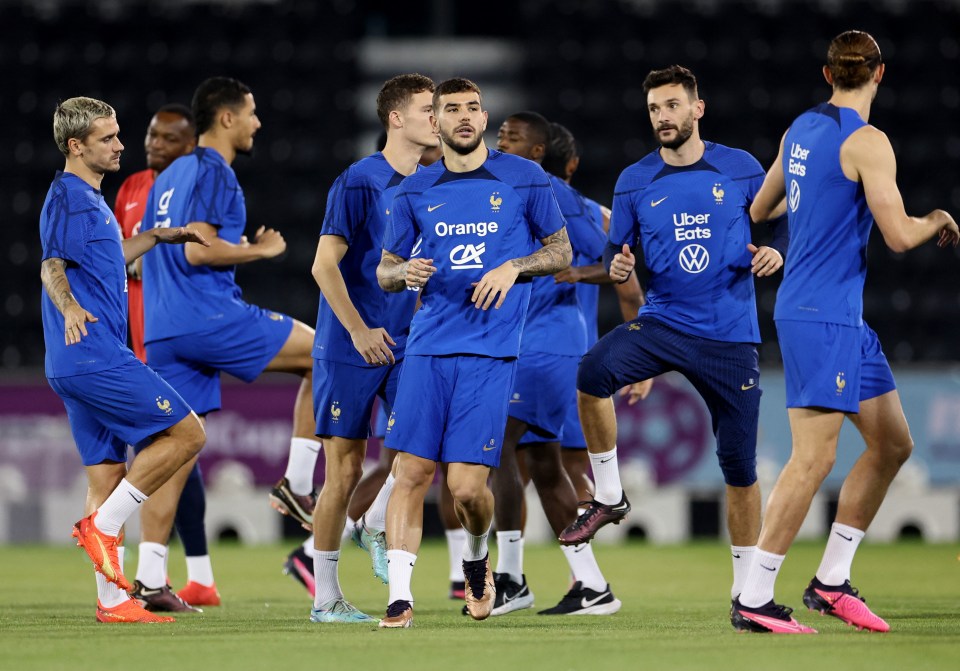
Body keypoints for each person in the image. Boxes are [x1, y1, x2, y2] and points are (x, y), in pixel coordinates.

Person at [733, 30, 959, 634]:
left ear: (827, 74)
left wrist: (811, 216)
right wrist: (936, 216)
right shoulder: (869, 142)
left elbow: (761, 208)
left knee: (891, 444)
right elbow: (898, 235)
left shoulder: (800, 128)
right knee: (814, 458)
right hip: (821, 314)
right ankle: (753, 596)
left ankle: (831, 581)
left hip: (840, 317)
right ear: (879, 74)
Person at [559, 66, 789, 626]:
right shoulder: (635, 181)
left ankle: (747, 598)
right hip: (663, 323)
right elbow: (618, 256)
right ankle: (609, 495)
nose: (662, 117)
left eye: (671, 106)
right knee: (591, 372)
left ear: (697, 109)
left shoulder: (740, 169)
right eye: (655, 109)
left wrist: (776, 251)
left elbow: (781, 222)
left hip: (731, 337)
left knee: (739, 467)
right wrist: (617, 266)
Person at [375, 77, 572, 628]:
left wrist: (514, 267)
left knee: (467, 489)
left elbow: (561, 250)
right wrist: (401, 272)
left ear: (484, 119)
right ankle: (399, 597)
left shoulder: (524, 178)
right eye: (451, 109)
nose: (464, 117)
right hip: (428, 349)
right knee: (410, 471)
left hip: (490, 354)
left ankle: (478, 559)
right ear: (434, 122)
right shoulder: (414, 189)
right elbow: (385, 269)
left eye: (473, 108)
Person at [139, 77, 321, 596]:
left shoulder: (169, 174)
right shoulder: (216, 171)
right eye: (251, 113)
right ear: (225, 118)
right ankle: (299, 484)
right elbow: (199, 249)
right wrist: (258, 252)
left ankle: (151, 579)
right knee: (327, 352)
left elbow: (171, 246)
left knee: (173, 454)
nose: (256, 123)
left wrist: (229, 245)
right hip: (209, 318)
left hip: (165, 328)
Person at [41, 96, 207, 623]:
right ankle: (104, 528)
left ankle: (112, 601)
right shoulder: (68, 195)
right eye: (107, 138)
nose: (120, 144)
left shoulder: (92, 199)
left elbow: (108, 258)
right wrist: (69, 309)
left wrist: (157, 236)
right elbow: (51, 267)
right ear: (76, 145)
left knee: (107, 474)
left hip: (75, 363)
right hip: (93, 353)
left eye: (117, 134)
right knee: (187, 434)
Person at [307, 73, 438, 623]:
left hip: (409, 341)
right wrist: (359, 329)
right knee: (342, 473)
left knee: (419, 456)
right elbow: (322, 265)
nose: (437, 118)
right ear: (396, 119)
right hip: (350, 344)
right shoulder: (360, 181)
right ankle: (327, 599)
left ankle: (377, 522)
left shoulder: (436, 183)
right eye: (428, 109)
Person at [492, 111, 621, 617]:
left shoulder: (555, 193)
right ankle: (591, 585)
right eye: (500, 133)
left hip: (550, 343)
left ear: (538, 152)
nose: (502, 140)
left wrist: (577, 273)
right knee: (545, 466)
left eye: (514, 137)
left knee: (496, 441)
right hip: (524, 339)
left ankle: (510, 576)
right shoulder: (502, 188)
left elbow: (615, 260)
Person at [114, 104, 219, 611]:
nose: (154, 143)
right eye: (152, 135)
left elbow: (205, 250)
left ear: (189, 145)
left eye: (168, 138)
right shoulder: (131, 187)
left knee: (181, 448)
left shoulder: (196, 185)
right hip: (132, 337)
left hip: (173, 334)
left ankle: (173, 573)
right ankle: (163, 574)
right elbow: (111, 254)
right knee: (175, 450)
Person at [540, 122, 646, 515]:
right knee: (565, 463)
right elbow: (631, 291)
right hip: (576, 357)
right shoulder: (597, 215)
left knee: (519, 462)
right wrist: (641, 365)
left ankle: (572, 572)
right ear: (573, 164)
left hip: (523, 353)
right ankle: (583, 572)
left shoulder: (511, 212)